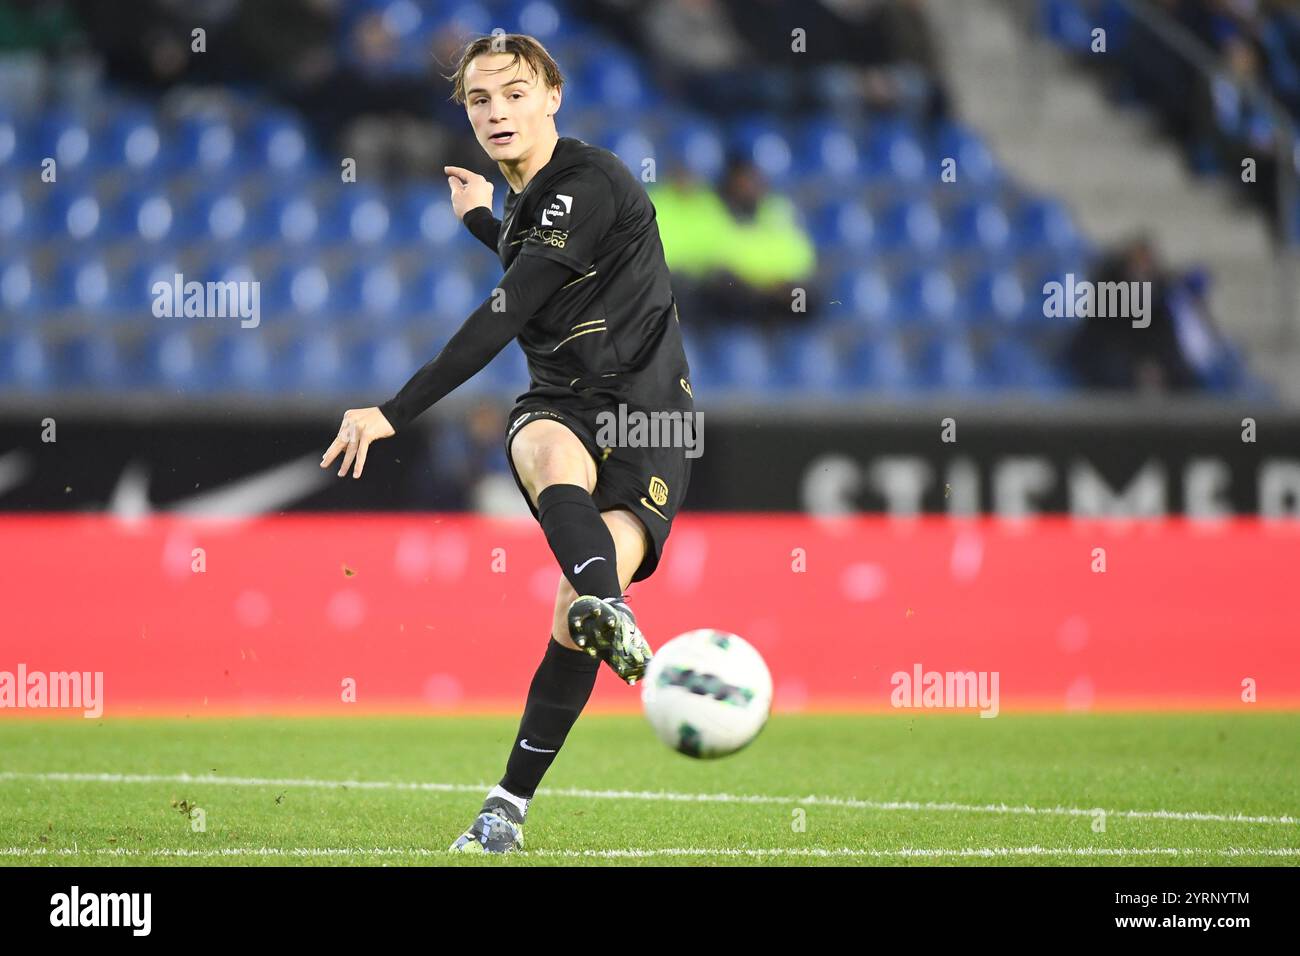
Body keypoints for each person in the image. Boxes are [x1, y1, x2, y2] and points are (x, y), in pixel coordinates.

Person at [318, 33, 695, 853]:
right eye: (480, 100)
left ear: (552, 95)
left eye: (515, 93)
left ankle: (509, 799)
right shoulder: (532, 205)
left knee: (572, 608)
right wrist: (486, 221)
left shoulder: (586, 181)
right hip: (564, 399)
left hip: (650, 418)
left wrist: (395, 409)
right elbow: (542, 268)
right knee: (541, 452)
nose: (497, 112)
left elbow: (510, 305)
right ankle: (608, 613)